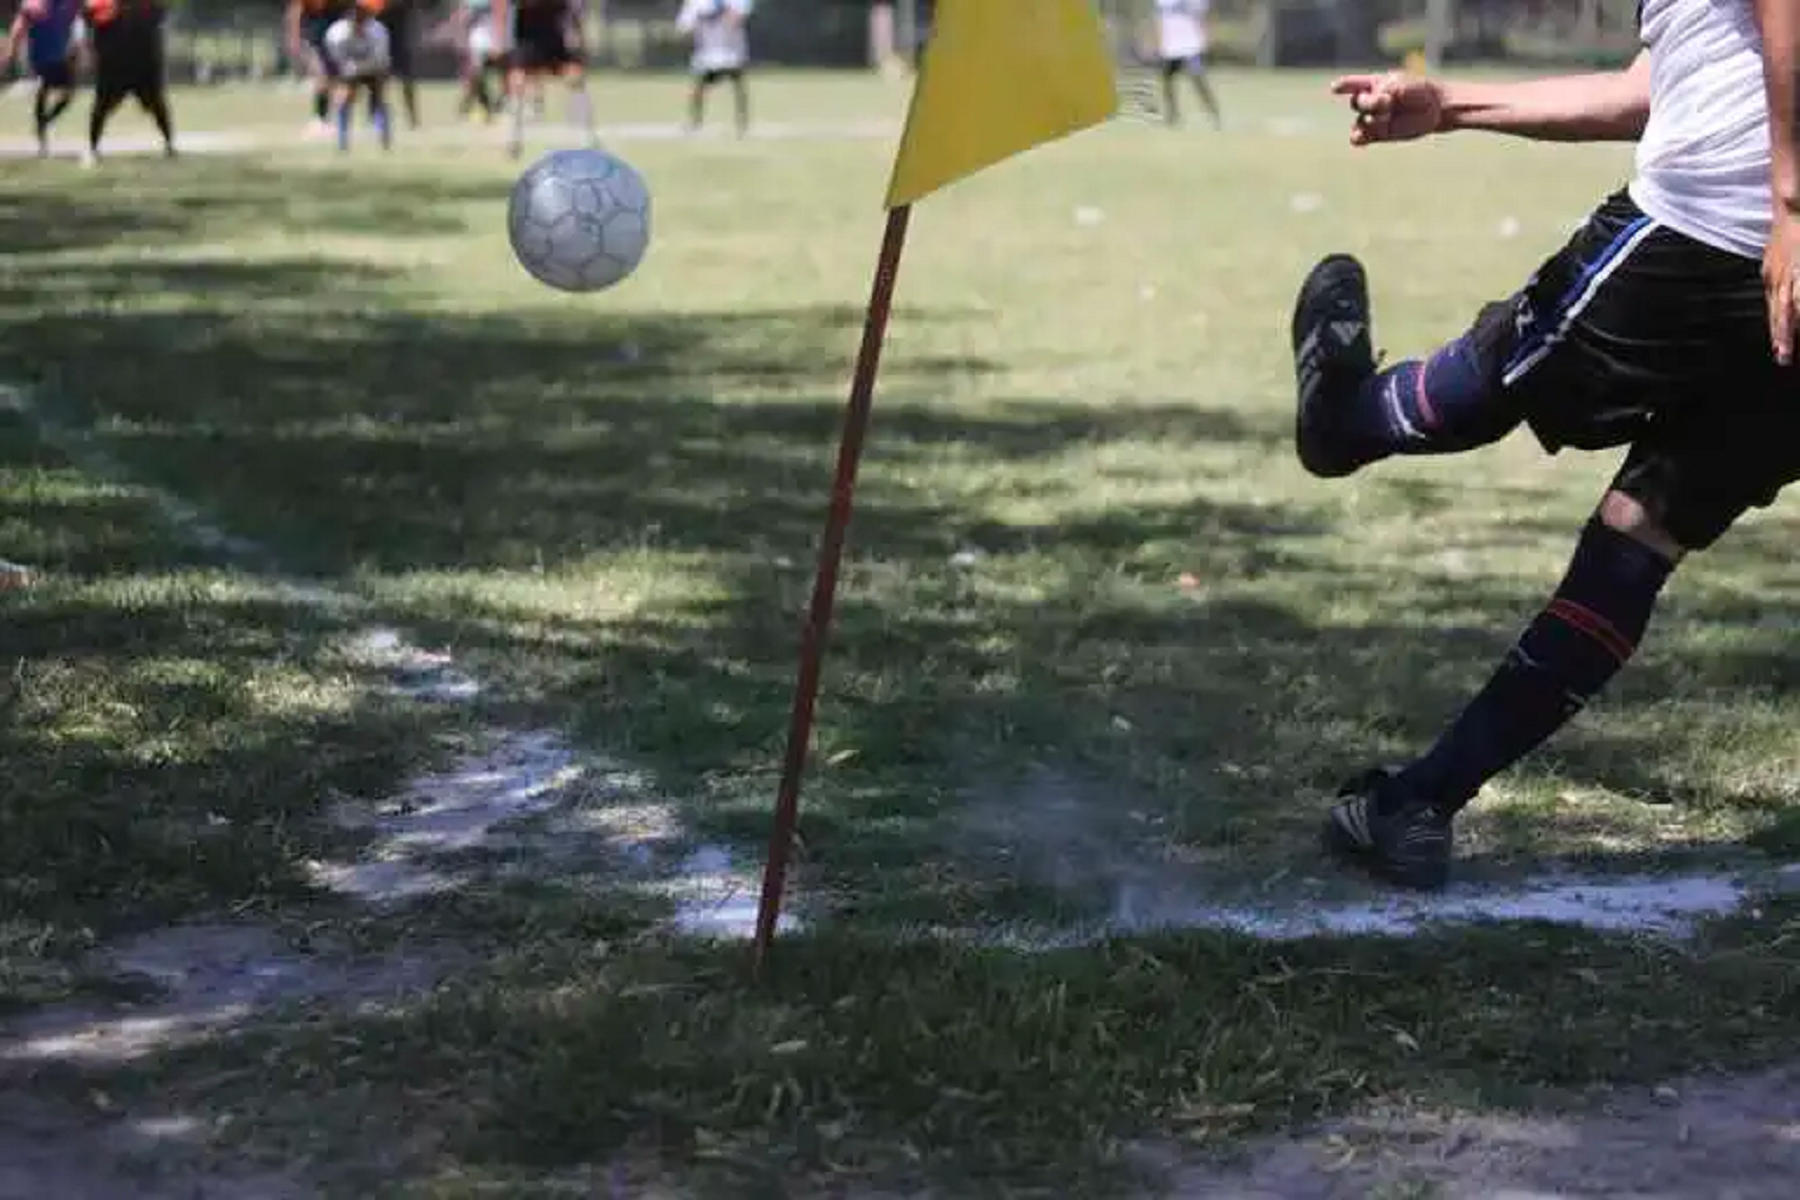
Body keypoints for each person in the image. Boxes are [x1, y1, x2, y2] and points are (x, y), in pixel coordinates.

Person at [1291, 0, 1800, 891]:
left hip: (1715, 233)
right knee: (1642, 532)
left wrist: (1794, 201)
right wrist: (1453, 106)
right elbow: (1658, 92)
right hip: (1761, 246)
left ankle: (1347, 421)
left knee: (1504, 371)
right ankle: (1416, 805)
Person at [493, 0, 594, 159]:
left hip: (554, 35)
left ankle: (586, 138)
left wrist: (581, 39)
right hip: (527, 36)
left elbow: (574, 12)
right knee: (517, 82)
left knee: (576, 77)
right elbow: (502, 7)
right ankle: (513, 140)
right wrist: (499, 41)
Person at [82, 0, 174, 165]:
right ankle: (92, 148)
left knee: (156, 105)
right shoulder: (102, 3)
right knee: (101, 107)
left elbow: (160, 17)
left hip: (143, 63)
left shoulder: (148, 5)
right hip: (113, 65)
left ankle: (169, 145)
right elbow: (89, 19)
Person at [3, 0, 82, 158]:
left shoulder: (70, 3)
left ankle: (43, 124)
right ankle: (42, 138)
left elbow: (76, 20)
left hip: (61, 55)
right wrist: (11, 51)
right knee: (44, 89)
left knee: (69, 94)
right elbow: (19, 25)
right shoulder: (35, 4)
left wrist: (77, 45)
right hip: (41, 55)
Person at [675, 0, 751, 137]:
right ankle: (695, 121)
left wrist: (724, 12)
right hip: (707, 55)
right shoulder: (696, 3)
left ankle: (742, 122)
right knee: (698, 88)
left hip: (731, 53)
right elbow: (684, 27)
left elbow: (738, 18)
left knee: (739, 87)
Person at [323, 0, 391, 151]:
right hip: (349, 71)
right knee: (343, 99)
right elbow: (335, 59)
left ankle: (384, 137)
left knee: (378, 100)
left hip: (374, 69)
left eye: (362, 14)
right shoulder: (337, 34)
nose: (358, 17)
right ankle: (342, 141)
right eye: (356, 14)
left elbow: (381, 60)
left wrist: (358, 68)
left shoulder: (378, 31)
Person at [1152, 0, 1220, 130]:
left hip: (1191, 44)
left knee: (1198, 80)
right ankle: (1172, 115)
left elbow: (1206, 15)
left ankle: (1213, 112)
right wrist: (1158, 41)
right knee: (1167, 80)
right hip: (1171, 46)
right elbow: (1159, 20)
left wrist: (1207, 36)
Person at [287, 0, 349, 137]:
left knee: (337, 82)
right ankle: (319, 121)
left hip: (330, 36)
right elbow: (295, 11)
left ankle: (331, 121)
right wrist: (294, 38)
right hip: (311, 36)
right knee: (322, 77)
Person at [364, 0, 417, 129]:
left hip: (398, 42)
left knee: (406, 81)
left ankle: (412, 118)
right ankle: (374, 118)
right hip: (378, 42)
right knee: (377, 82)